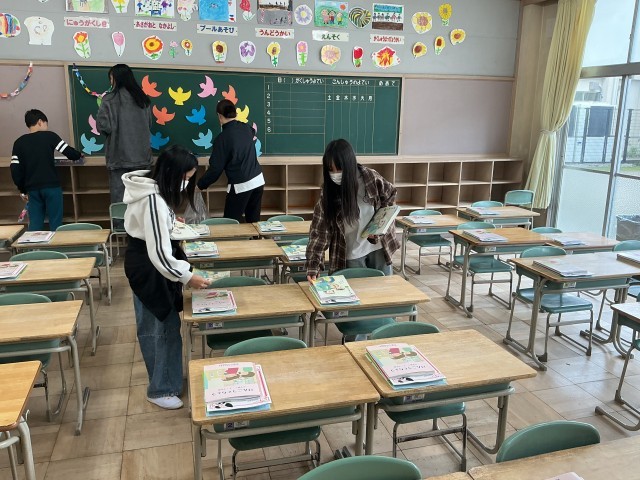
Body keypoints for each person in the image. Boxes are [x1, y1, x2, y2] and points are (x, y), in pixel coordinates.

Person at [122, 145, 210, 410]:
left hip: (149, 264)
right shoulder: (152, 201)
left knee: (166, 325)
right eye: (185, 178)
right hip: (149, 269)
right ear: (172, 173)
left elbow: (155, 230)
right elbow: (159, 254)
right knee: (159, 328)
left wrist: (172, 223)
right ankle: (160, 389)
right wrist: (188, 277)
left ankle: (168, 379)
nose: (186, 184)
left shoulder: (153, 191)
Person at [306, 139, 400, 281]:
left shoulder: (370, 178)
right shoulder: (329, 193)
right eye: (330, 169)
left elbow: (390, 195)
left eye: (339, 168)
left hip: (378, 246)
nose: (335, 174)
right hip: (351, 251)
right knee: (356, 289)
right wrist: (313, 265)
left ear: (350, 164)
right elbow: (319, 232)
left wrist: (381, 226)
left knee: (383, 287)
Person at [10, 109, 83, 231]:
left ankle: (35, 243)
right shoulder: (50, 136)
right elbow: (70, 153)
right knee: (56, 224)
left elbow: (15, 169)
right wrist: (79, 154)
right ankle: (56, 243)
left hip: (32, 189)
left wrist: (22, 189)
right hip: (51, 187)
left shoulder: (19, 142)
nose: (46, 127)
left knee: (35, 224)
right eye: (46, 124)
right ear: (40, 122)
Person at [197, 99, 264, 223]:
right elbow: (252, 131)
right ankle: (255, 235)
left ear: (219, 116)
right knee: (254, 223)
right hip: (258, 180)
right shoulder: (246, 128)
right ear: (235, 113)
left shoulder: (222, 139)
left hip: (241, 185)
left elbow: (215, 169)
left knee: (230, 223)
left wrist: (200, 185)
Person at [96, 63, 152, 207]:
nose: (110, 82)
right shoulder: (143, 99)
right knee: (143, 199)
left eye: (111, 78)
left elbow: (105, 127)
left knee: (120, 202)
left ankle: (121, 223)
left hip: (118, 159)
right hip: (142, 158)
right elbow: (149, 125)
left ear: (116, 78)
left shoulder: (109, 100)